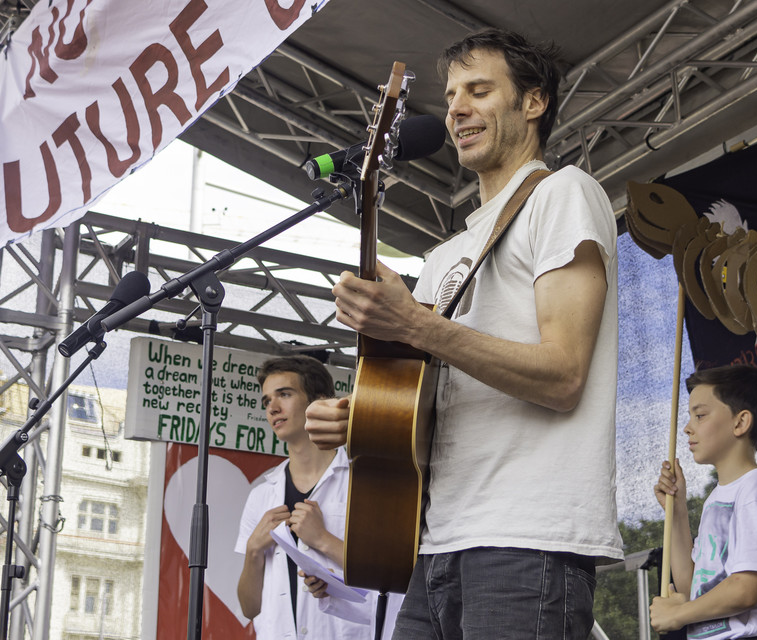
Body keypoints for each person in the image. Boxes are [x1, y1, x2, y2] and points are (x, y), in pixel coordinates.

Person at [304, 28, 623, 639]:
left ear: (534, 102)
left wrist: (414, 323)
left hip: (528, 538)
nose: (456, 109)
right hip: (435, 544)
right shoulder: (445, 256)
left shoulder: (563, 193)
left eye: (479, 90)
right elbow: (425, 405)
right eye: (451, 96)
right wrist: (364, 417)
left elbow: (563, 375)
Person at [235, 355, 395, 639]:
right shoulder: (261, 495)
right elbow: (250, 609)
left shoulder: (366, 484)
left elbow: (391, 580)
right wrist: (253, 551)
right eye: (266, 400)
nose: (272, 408)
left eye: (284, 394)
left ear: (320, 403)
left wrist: (322, 539)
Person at [650, 364, 757, 639]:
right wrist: (677, 513)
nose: (687, 429)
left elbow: (744, 590)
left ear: (740, 423)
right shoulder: (716, 499)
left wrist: (677, 614)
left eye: (700, 415)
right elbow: (695, 590)